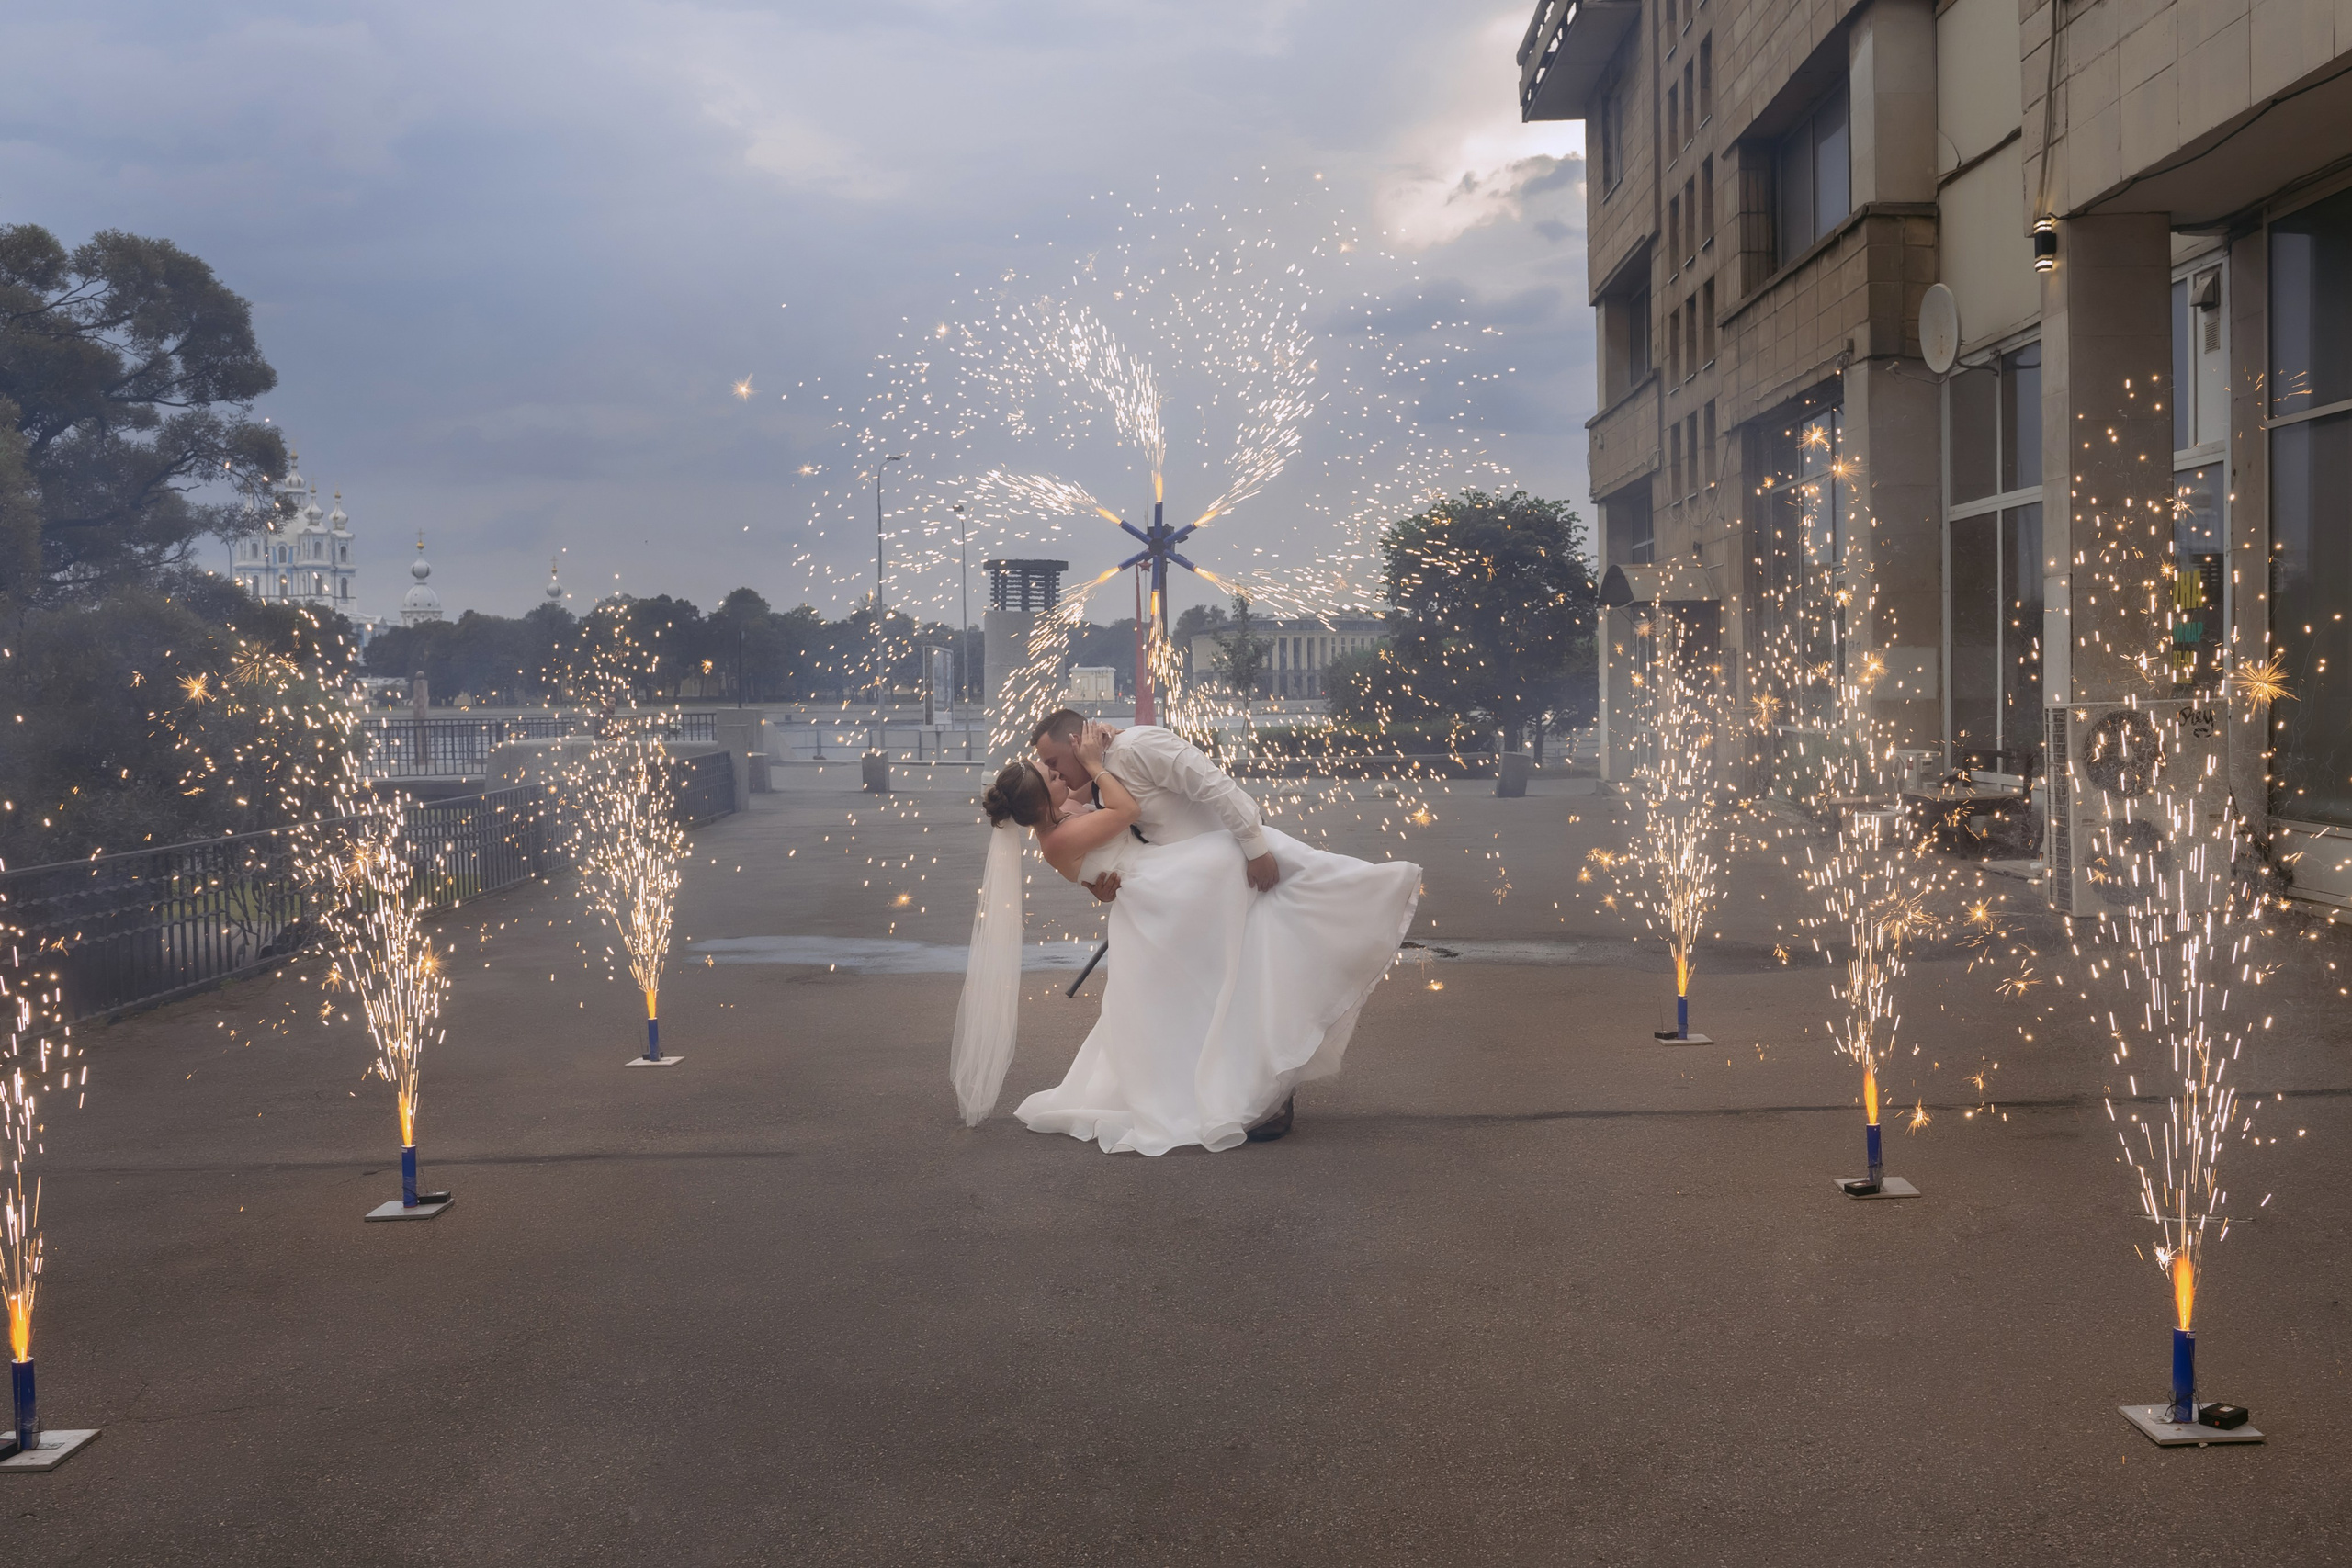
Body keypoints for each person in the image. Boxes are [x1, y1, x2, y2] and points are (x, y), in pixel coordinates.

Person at [949, 709, 1421, 1156]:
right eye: (1048, 774)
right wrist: (1093, 767)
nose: (1056, 774)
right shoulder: (1069, 813)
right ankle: (1243, 1084)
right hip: (1163, 891)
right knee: (1200, 997)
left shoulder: (1090, 787)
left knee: (1231, 968)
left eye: (1054, 764)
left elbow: (1196, 791)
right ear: (1039, 800)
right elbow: (1124, 813)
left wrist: (1098, 764)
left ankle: (1364, 897)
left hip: (1166, 887)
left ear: (1076, 742)